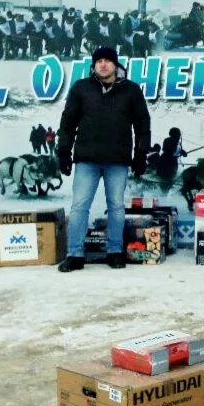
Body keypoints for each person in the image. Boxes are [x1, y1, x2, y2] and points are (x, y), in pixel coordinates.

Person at [56, 46, 151, 271]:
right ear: (94, 64)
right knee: (79, 206)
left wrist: (140, 154)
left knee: (117, 206)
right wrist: (63, 152)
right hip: (86, 159)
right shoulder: (81, 88)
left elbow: (142, 124)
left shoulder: (131, 90)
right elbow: (67, 123)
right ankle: (75, 254)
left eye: (108, 60)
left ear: (115, 65)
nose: (103, 64)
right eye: (99, 61)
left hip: (117, 160)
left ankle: (115, 251)